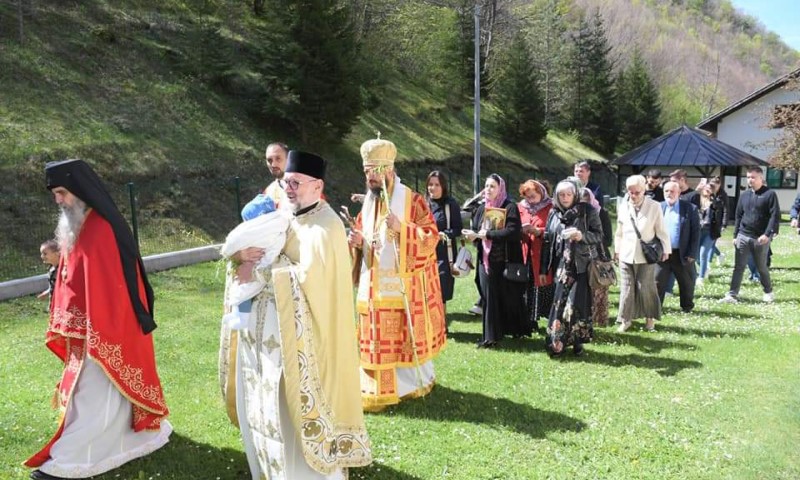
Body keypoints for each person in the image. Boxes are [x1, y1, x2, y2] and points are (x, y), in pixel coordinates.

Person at [220, 151, 372, 479]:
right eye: (286, 182)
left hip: (306, 347)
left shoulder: (326, 226)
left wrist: (262, 269)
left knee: (294, 413)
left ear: (317, 186)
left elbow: (313, 284)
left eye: (295, 183)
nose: (288, 188)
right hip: (270, 342)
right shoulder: (286, 216)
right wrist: (242, 256)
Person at [26, 159, 171, 480]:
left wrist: (95, 326)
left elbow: (111, 289)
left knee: (92, 394)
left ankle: (70, 460)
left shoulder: (101, 228)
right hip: (85, 329)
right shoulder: (76, 226)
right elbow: (68, 277)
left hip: (107, 329)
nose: (58, 200)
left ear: (79, 190)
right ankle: (131, 438)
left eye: (62, 192)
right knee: (89, 394)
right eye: (55, 194)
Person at [347, 137, 446, 411]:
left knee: (402, 337)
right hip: (372, 287)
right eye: (367, 173)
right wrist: (356, 243)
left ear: (388, 170)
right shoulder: (368, 203)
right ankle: (374, 385)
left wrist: (402, 227)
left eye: (374, 172)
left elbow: (431, 237)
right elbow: (368, 240)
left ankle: (409, 384)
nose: (370, 179)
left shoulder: (412, 200)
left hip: (403, 288)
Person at [541, 179, 603, 356]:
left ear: (575, 194)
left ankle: (577, 343)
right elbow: (547, 240)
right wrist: (544, 269)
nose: (565, 198)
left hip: (580, 265)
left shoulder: (587, 211)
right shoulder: (553, 213)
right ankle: (556, 343)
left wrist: (580, 235)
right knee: (558, 305)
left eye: (569, 194)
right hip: (560, 266)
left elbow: (599, 236)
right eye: (561, 194)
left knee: (576, 306)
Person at [463, 174, 526, 348]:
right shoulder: (482, 208)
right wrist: (473, 236)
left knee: (496, 298)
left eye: (492, 186)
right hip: (485, 260)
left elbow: (514, 232)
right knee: (487, 296)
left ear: (500, 188)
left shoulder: (509, 206)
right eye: (487, 186)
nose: (488, 190)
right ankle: (491, 334)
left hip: (502, 260)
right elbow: (477, 230)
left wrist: (488, 234)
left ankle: (491, 337)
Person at [614, 175, 671, 332]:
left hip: (646, 255)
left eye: (637, 192)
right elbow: (619, 232)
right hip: (626, 253)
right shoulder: (623, 205)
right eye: (630, 192)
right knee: (626, 287)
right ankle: (625, 320)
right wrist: (617, 250)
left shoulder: (654, 206)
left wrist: (666, 249)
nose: (633, 195)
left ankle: (650, 319)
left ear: (644, 190)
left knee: (645, 287)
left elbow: (661, 230)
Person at [721, 166, 781, 304]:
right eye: (748, 177)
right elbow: (738, 216)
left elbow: (774, 215)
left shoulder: (770, 194)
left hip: (760, 238)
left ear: (761, 178)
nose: (750, 180)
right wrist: (735, 235)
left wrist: (767, 234)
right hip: (743, 235)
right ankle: (732, 294)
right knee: (739, 266)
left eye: (753, 177)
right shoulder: (744, 195)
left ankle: (768, 291)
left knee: (761, 267)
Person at [655, 182, 700, 312]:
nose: (669, 194)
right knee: (658, 282)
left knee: (686, 282)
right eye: (666, 191)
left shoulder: (690, 208)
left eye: (672, 191)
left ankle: (686, 307)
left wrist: (692, 253)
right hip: (662, 253)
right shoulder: (658, 207)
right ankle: (656, 308)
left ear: (679, 193)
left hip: (681, 252)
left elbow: (695, 232)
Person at [425, 170, 462, 327]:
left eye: (436, 185)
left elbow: (457, 229)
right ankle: (427, 324)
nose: (433, 188)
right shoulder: (423, 204)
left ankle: (441, 325)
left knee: (441, 290)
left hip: (444, 255)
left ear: (443, 186)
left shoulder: (450, 204)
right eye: (430, 185)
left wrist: (443, 235)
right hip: (425, 253)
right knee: (426, 290)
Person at [518, 180, 554, 331]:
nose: (530, 200)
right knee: (528, 288)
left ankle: (550, 321)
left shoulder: (551, 207)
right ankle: (530, 322)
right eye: (528, 197)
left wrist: (539, 231)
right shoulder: (521, 207)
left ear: (542, 193)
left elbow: (555, 230)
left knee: (544, 286)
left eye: (533, 196)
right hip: (525, 253)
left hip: (543, 255)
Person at [581, 188, 613, 327]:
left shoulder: (601, 212)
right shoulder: (574, 213)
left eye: (586, 200)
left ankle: (599, 319)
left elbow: (608, 239)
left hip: (599, 256)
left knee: (599, 289)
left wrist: (588, 238)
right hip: (582, 257)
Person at [461, 188, 486, 316]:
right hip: (478, 244)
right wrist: (478, 196)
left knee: (482, 278)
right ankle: (482, 303)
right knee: (478, 279)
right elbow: (466, 208)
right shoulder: (479, 204)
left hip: (487, 243)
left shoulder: (493, 205)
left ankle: (482, 304)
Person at [696, 181, 723, 285]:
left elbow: (719, 216)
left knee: (703, 253)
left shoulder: (716, 202)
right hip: (698, 231)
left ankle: (701, 277)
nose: (707, 191)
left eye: (709, 190)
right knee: (696, 255)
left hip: (710, 231)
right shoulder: (696, 200)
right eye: (705, 189)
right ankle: (704, 268)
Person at [36, 239, 60, 306]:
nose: (42, 256)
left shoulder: (63, 271)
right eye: (41, 254)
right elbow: (54, 286)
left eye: (45, 254)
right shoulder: (52, 269)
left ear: (57, 253)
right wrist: (46, 293)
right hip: (54, 303)